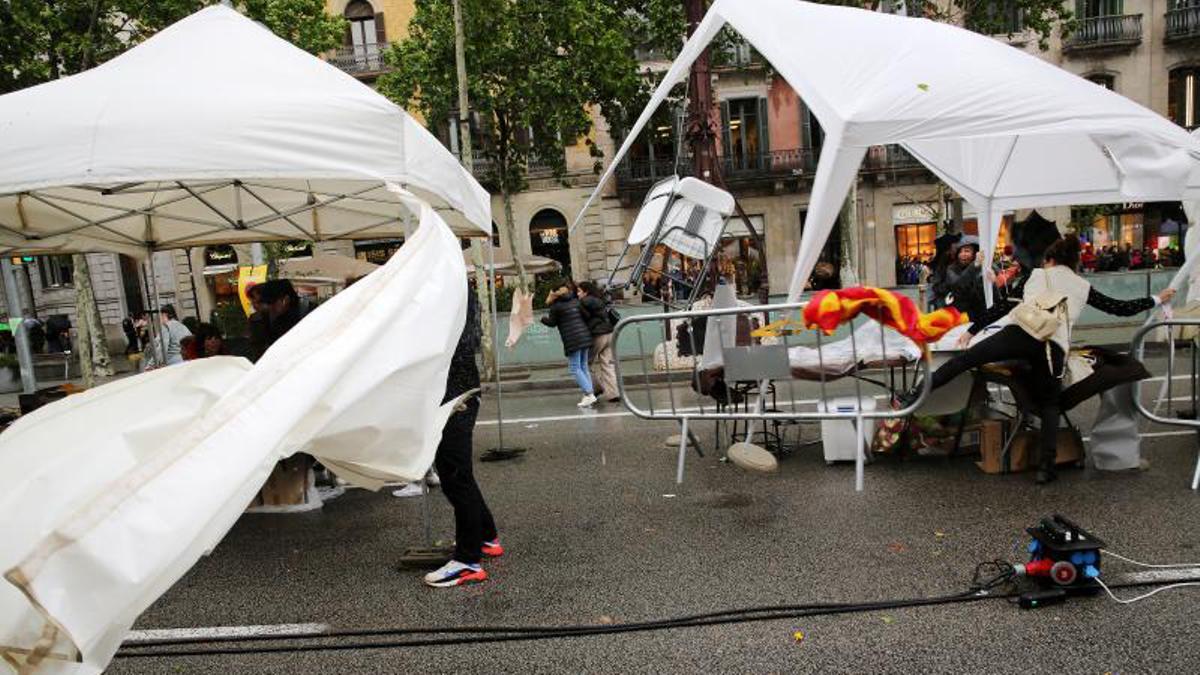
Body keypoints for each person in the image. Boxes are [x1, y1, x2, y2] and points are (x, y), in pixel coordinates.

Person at [905, 235, 1173, 484]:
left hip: (1018, 333)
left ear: (1050, 260)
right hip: (1052, 344)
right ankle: (1046, 467)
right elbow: (1120, 309)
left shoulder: (1036, 275)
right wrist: (1155, 298)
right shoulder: (1082, 285)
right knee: (1050, 404)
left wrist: (972, 331)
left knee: (963, 362)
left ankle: (913, 396)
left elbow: (1003, 306)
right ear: (1072, 262)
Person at [423, 286, 502, 588]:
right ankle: (486, 537)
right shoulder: (455, 287)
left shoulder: (448, 290)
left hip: (455, 396)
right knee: (458, 474)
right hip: (458, 392)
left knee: (455, 476)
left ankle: (468, 561)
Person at [541, 279, 596, 408]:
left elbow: (552, 323)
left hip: (572, 339)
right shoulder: (575, 301)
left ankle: (589, 394)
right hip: (584, 336)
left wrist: (543, 319)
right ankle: (589, 393)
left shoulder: (556, 306)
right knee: (583, 366)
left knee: (575, 367)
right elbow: (586, 315)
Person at [578, 281, 619, 404]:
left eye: (579, 291)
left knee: (585, 363)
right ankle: (613, 393)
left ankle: (596, 388)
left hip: (597, 335)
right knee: (607, 364)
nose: (577, 294)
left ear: (586, 292)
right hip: (610, 333)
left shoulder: (584, 302)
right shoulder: (600, 299)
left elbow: (583, 318)